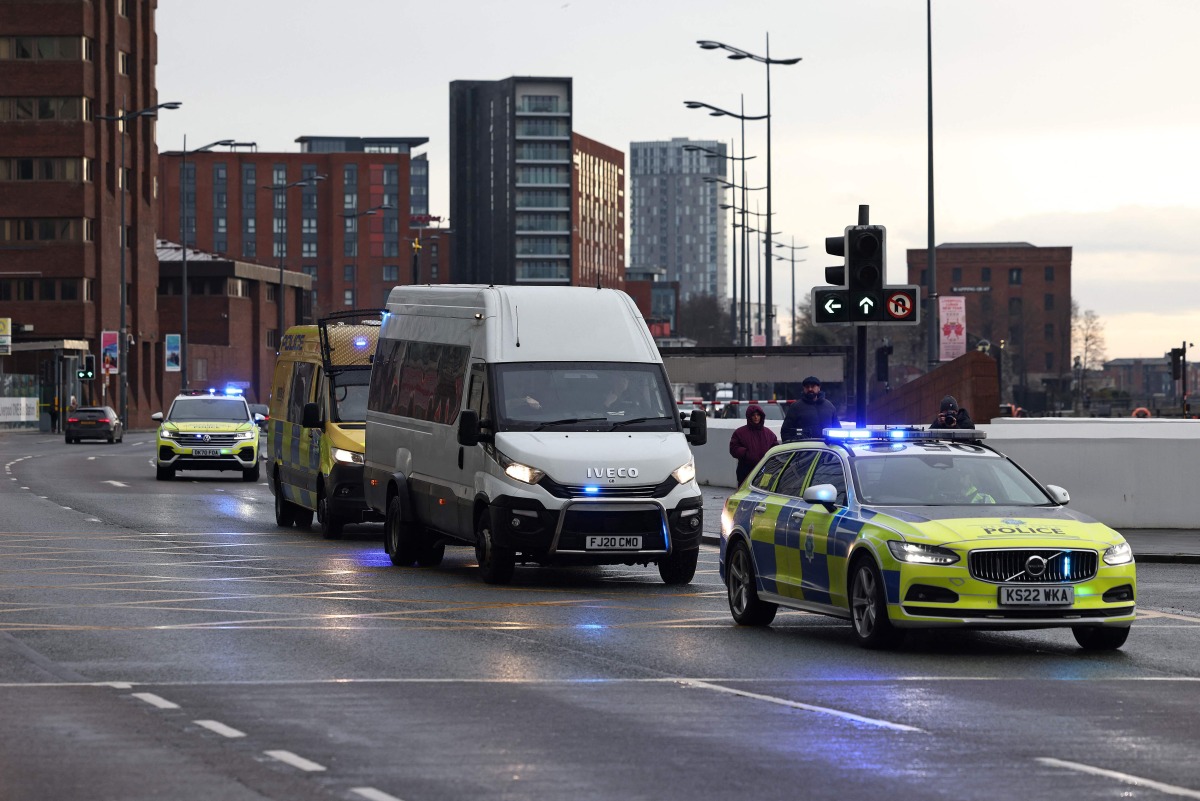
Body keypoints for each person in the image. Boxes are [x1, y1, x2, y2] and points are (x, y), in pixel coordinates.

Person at [729, 403, 779, 485]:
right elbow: (733, 448)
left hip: (765, 470)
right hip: (745, 471)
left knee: (764, 491)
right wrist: (746, 453)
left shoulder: (768, 433)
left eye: (758, 415)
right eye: (753, 415)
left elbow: (775, 449)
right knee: (745, 492)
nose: (756, 417)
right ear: (749, 417)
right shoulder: (740, 433)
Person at [781, 376, 840, 442]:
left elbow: (838, 430)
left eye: (813, 386)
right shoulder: (795, 407)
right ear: (803, 389)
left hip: (827, 449)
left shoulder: (829, 406)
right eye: (807, 387)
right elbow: (785, 433)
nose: (810, 389)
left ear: (819, 388)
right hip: (805, 450)